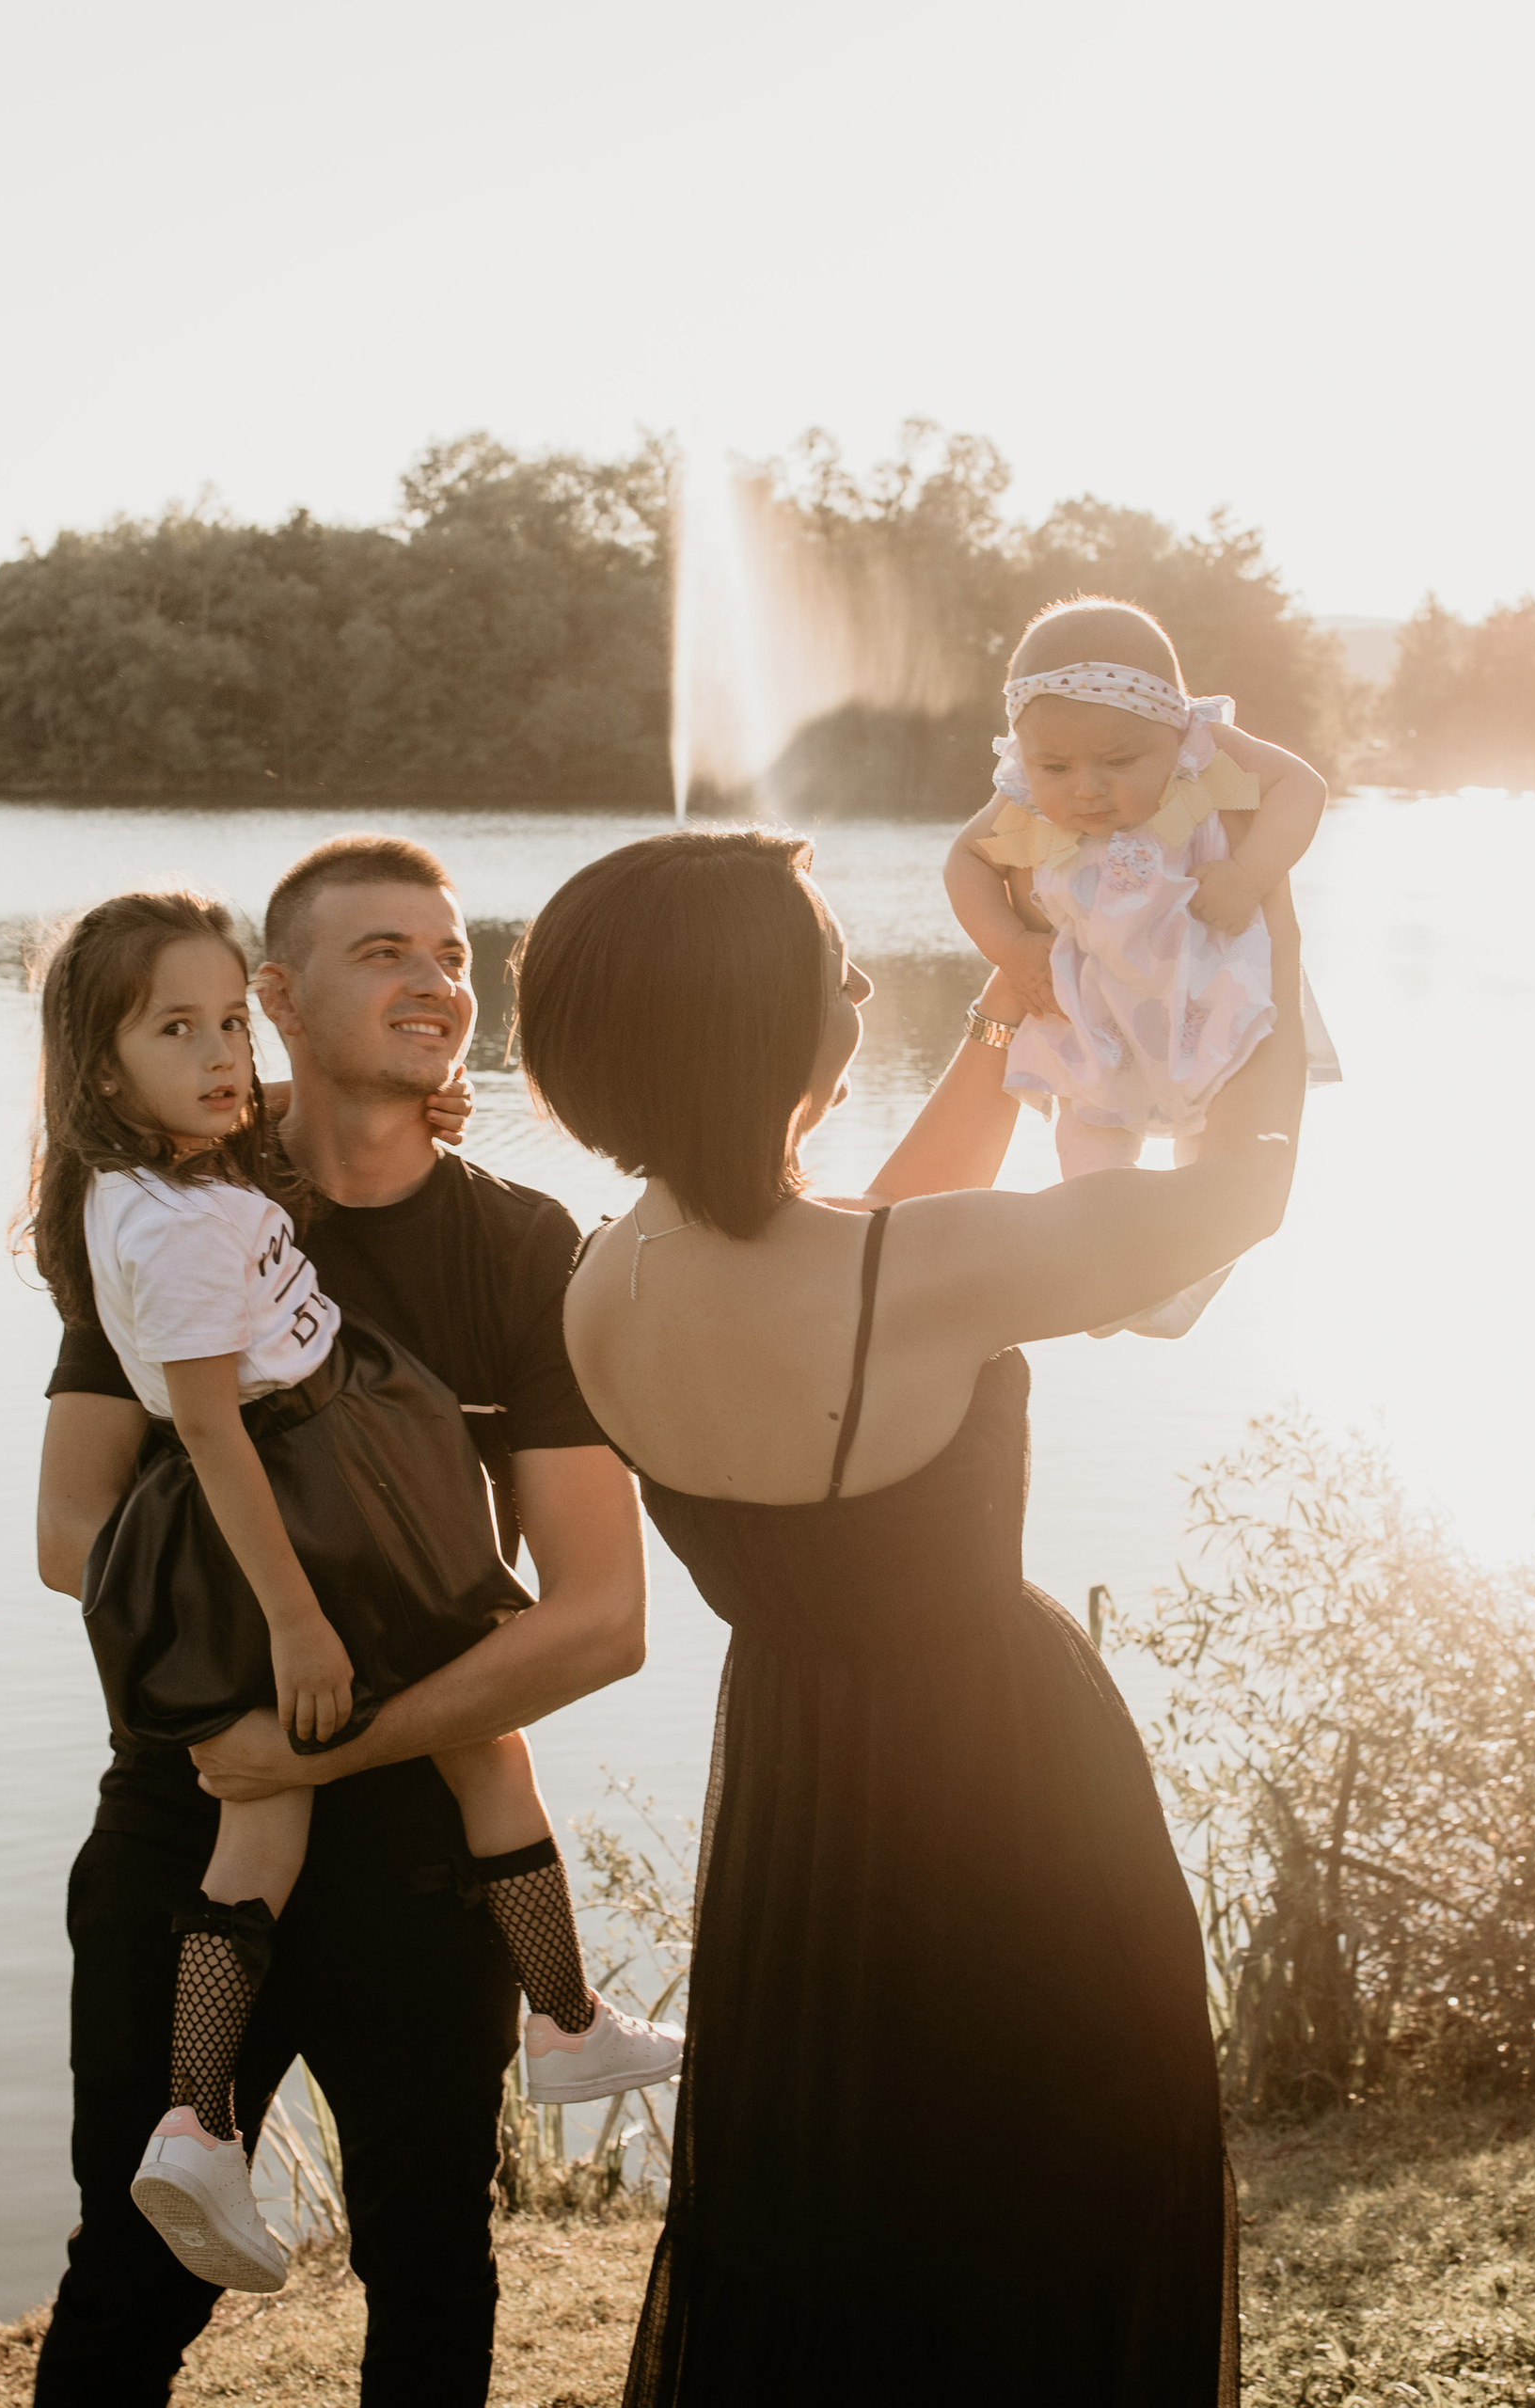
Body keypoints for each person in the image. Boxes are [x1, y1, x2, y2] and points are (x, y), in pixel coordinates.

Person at [512, 825, 1307, 2405]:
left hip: (802, 1803)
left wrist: (1006, 1019)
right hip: (1007, 1794)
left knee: (840, 2205)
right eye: (831, 960)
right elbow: (1245, 1194)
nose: (862, 973)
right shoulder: (910, 1277)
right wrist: (1253, 911)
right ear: (748, 1020)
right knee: (1055, 2193)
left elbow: (863, 1248)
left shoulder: (604, 1282)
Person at [30, 835, 649, 2407]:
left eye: (451, 954)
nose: (437, 979)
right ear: (279, 997)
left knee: (435, 2259)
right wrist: (231, 1721)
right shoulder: (188, 1206)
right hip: (191, 1813)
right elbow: (67, 1534)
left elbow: (600, 1621)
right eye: (387, 952)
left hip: (420, 1850)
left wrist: (317, 1748)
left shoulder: (523, 1248)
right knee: (131, 2277)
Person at [943, 595, 1337, 1336]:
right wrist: (1011, 946)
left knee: (1224, 1162)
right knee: (1087, 1131)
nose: (1086, 786)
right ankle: (1107, 1270)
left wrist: (1250, 873)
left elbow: (1301, 788)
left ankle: (1187, 1278)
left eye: (1119, 762)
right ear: (1023, 751)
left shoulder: (1208, 754)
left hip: (1211, 991)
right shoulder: (1023, 797)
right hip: (1101, 1010)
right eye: (1054, 764)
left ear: (1175, 730)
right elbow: (966, 860)